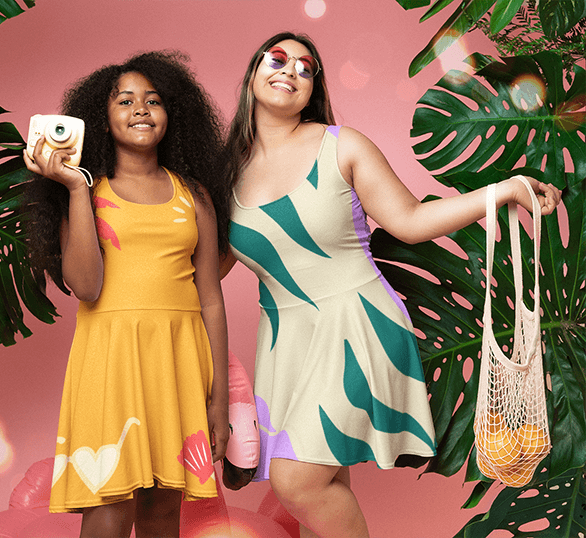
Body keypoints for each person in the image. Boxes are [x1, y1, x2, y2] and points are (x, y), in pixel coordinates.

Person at [217, 31, 561, 538]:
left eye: (307, 68)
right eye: (278, 59)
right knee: (327, 483)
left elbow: (410, 220)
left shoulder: (342, 145)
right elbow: (204, 268)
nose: (291, 70)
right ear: (252, 74)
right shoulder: (226, 177)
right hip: (285, 345)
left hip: (357, 325)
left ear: (314, 90)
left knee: (298, 481)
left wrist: (502, 190)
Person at [23, 51, 229, 538]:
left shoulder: (194, 197)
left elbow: (212, 300)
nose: (141, 109)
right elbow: (87, 286)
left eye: (153, 100)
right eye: (126, 100)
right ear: (101, 117)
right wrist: (75, 189)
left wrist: (218, 402)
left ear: (172, 115)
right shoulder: (90, 195)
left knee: (162, 511)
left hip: (177, 364)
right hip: (110, 363)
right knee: (110, 508)